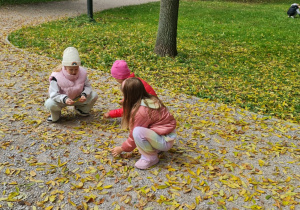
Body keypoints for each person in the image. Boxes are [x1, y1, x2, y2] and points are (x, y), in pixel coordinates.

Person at [111, 78, 176, 170]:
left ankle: (150, 158)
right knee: (140, 131)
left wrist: (122, 148)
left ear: (129, 95)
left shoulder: (141, 111)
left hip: (164, 141)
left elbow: (133, 136)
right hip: (166, 135)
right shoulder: (149, 99)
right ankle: (155, 149)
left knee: (137, 132)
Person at [45, 47, 98, 122]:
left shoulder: (82, 73)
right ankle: (56, 114)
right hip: (61, 100)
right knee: (49, 103)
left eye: (76, 69)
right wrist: (65, 99)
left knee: (94, 95)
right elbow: (53, 94)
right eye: (71, 69)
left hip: (77, 98)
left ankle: (81, 109)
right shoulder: (56, 76)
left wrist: (84, 95)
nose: (74, 71)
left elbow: (87, 86)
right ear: (65, 67)